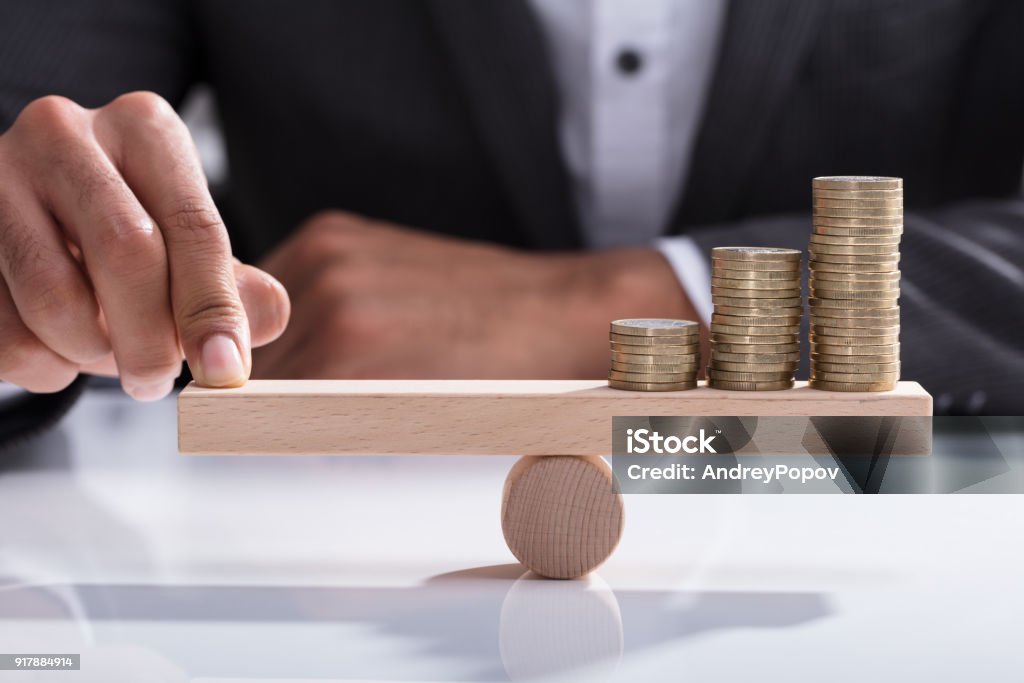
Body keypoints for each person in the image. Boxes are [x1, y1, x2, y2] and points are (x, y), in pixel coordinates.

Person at [0, 0, 1022, 415]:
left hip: (902, 543)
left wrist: (612, 304)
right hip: (317, 553)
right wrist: (32, 271)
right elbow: (32, 132)